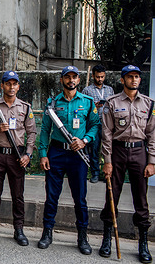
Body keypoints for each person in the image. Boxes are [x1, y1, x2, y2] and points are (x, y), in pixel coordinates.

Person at [38, 65, 100, 254]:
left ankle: (82, 237)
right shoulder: (53, 103)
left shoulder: (88, 102)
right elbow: (45, 130)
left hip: (78, 155)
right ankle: (47, 233)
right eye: (67, 77)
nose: (71, 80)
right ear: (62, 80)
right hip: (56, 153)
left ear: (79, 80)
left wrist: (84, 140)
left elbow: (95, 126)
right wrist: (42, 154)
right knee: (52, 197)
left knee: (80, 199)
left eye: (74, 77)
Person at [99, 65, 154, 263]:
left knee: (141, 198)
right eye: (130, 77)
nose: (134, 80)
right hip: (118, 151)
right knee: (111, 194)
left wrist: (152, 162)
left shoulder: (149, 104)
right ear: (122, 80)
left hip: (140, 152)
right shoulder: (111, 103)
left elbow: (152, 135)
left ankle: (143, 243)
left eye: (137, 77)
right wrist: (107, 161)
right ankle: (107, 240)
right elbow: (106, 134)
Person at [0, 71, 36, 245]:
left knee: (17, 195)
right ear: (2, 85)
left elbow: (32, 132)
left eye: (14, 84)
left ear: (18, 86)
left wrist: (28, 154)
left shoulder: (25, 107)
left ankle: (19, 229)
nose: (11, 87)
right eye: (8, 83)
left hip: (17, 156)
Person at [82, 64, 114, 183]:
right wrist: (93, 106)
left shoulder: (109, 90)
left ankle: (107, 173)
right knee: (94, 149)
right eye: (97, 77)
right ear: (93, 76)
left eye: (102, 77)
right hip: (94, 123)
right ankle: (95, 173)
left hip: (108, 124)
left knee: (107, 149)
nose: (100, 79)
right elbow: (83, 108)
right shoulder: (87, 90)